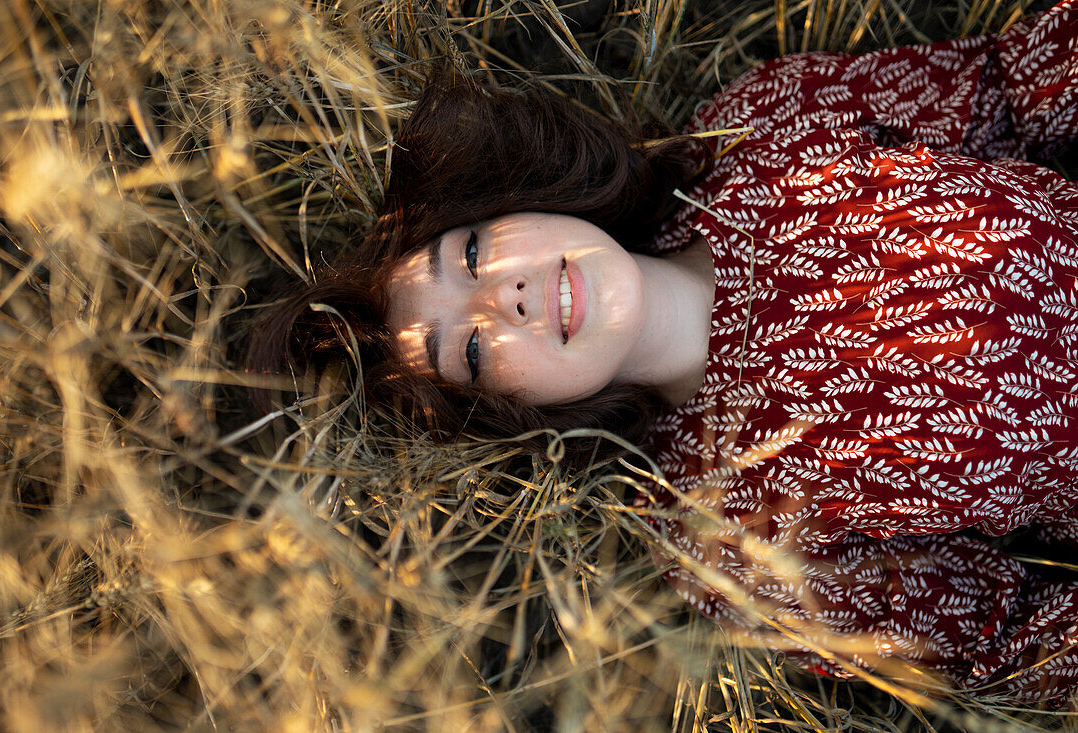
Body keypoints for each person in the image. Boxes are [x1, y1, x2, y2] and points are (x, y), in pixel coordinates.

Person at [248, 0, 1078, 705]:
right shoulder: (724, 540)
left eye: (468, 254)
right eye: (467, 349)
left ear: (511, 203)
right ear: (510, 409)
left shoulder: (759, 126)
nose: (504, 294)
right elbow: (1002, 637)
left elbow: (1010, 88)